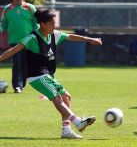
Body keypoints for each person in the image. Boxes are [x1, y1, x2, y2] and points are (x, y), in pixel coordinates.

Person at [0, 8, 102, 139]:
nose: (54, 26)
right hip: (36, 76)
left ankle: (66, 130)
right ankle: (77, 121)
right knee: (57, 98)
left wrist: (89, 39)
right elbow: (12, 51)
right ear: (42, 24)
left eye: (55, 24)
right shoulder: (32, 38)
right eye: (51, 24)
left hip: (47, 75)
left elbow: (70, 36)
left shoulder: (54, 35)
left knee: (66, 97)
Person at [1, 0, 39, 93]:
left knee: (26, 63)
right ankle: (17, 86)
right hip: (15, 41)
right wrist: (3, 38)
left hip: (29, 41)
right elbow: (3, 25)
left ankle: (22, 83)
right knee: (17, 63)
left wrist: (38, 37)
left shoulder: (30, 8)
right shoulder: (7, 9)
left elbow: (35, 24)